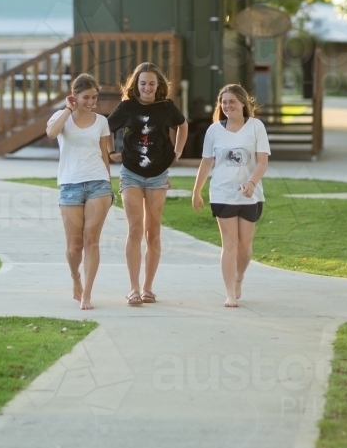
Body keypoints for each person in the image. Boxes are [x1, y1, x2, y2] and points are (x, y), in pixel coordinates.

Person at [108, 62, 188, 305]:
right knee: (134, 230)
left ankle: (147, 288)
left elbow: (182, 125)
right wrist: (112, 152)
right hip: (131, 173)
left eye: (152, 83)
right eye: (143, 83)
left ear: (158, 85)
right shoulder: (127, 107)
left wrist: (178, 152)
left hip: (157, 176)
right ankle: (133, 289)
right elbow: (106, 128)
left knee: (153, 233)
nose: (147, 87)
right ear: (136, 84)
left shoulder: (166, 107)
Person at [192, 84, 270, 307]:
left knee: (245, 246)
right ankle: (228, 293)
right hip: (222, 193)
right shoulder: (214, 130)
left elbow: (262, 161)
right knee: (230, 244)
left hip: (250, 195)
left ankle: (239, 278)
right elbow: (207, 161)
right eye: (224, 102)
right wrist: (197, 190)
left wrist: (252, 183)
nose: (227, 106)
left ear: (243, 103)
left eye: (232, 102)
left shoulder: (256, 127)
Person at [46, 73, 114, 310]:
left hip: (98, 184)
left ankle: (87, 294)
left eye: (94, 97)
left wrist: (109, 183)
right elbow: (52, 133)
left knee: (91, 242)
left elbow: (104, 154)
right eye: (86, 97)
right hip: (70, 185)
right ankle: (76, 278)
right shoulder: (60, 117)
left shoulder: (101, 121)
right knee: (74, 247)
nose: (91, 102)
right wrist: (67, 109)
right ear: (74, 96)